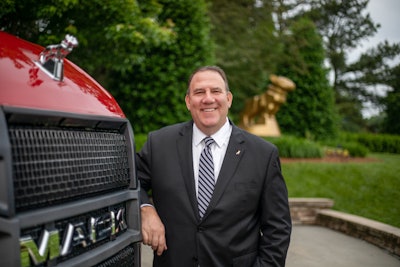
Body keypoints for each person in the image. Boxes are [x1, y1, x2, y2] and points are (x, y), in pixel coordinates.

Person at [137, 65, 292, 266]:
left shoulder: (263, 154)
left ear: (228, 99)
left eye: (216, 91)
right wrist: (145, 208)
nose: (208, 99)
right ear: (188, 101)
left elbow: (278, 228)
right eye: (199, 92)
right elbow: (131, 181)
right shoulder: (159, 144)